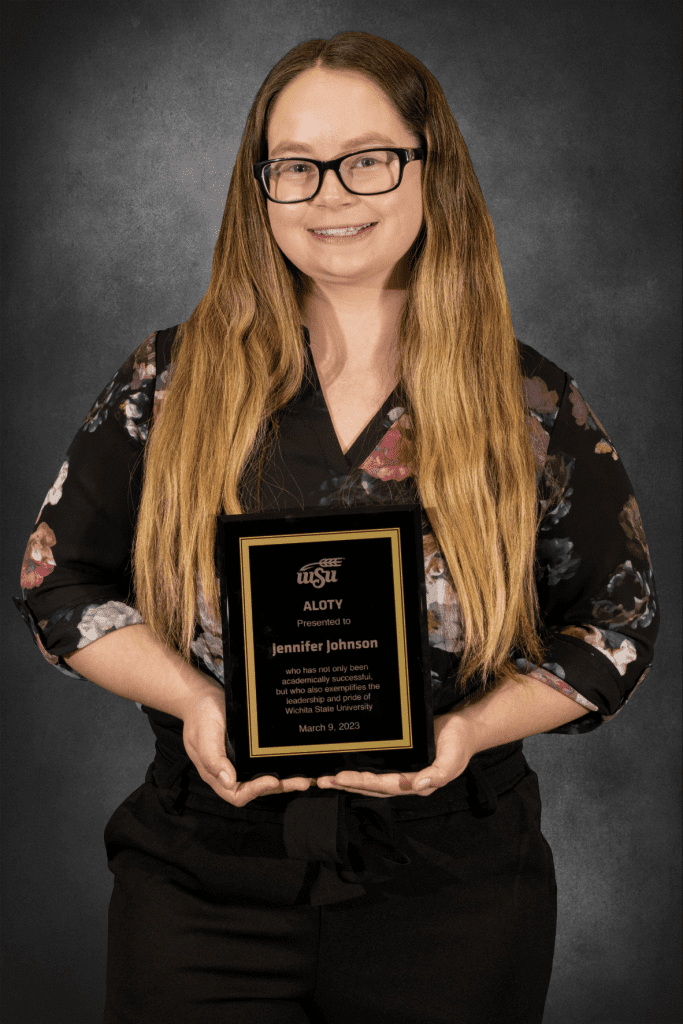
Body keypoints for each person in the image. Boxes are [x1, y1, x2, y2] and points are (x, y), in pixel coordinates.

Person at [15, 30, 659, 1024]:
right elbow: (59, 582)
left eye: (367, 158)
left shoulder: (527, 403)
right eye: (295, 168)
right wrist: (194, 701)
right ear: (258, 188)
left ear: (426, 167)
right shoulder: (167, 383)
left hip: (456, 887)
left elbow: (618, 622)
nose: (329, 195)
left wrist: (467, 731)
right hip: (198, 887)